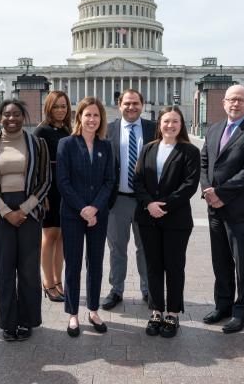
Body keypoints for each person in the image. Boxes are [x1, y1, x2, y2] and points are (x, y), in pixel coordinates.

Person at [0, 99, 51, 341]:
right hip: (0, 212)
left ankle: (27, 320)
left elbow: (45, 181)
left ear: (23, 116)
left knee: (29, 270)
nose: (12, 119)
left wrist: (25, 209)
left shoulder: (38, 144)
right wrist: (6, 211)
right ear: (0, 117)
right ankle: (8, 322)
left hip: (30, 210)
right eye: (7, 115)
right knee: (5, 269)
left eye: (17, 114)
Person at [200, 84, 244, 333]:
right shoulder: (214, 129)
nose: (235, 104)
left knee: (243, 264)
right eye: (231, 99)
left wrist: (221, 194)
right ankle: (223, 306)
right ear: (224, 103)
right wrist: (209, 191)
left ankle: (241, 312)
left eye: (240, 100)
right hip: (215, 209)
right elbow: (205, 163)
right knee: (220, 261)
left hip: (241, 211)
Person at [133, 106, 200, 338]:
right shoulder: (147, 149)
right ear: (159, 124)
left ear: (181, 125)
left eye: (175, 121)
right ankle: (156, 311)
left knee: (174, 267)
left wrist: (164, 206)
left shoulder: (189, 151)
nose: (170, 125)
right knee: (152, 266)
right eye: (166, 121)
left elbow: (189, 185)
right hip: (147, 218)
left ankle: (172, 313)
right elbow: (138, 180)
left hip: (176, 219)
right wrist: (149, 204)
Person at [57, 97, 115, 337]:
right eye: (87, 114)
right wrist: (83, 208)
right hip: (72, 214)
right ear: (79, 117)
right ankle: (73, 314)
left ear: (101, 119)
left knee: (95, 263)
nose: (92, 119)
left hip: (98, 215)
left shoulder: (106, 146)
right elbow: (63, 181)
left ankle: (93, 310)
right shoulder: (66, 144)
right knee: (73, 264)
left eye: (96, 115)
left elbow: (109, 180)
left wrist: (95, 209)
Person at [102, 89, 155, 310]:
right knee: (117, 248)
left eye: (135, 103)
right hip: (118, 199)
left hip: (146, 201)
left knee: (146, 247)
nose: (131, 107)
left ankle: (148, 289)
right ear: (119, 105)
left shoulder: (154, 129)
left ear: (142, 105)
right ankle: (116, 289)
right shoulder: (108, 130)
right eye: (127, 103)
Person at [34, 91, 72, 303]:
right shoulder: (42, 131)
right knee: (49, 237)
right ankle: (47, 282)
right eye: (56, 106)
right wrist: (42, 194)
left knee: (63, 238)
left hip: (65, 188)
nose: (60, 110)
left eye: (63, 106)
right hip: (50, 189)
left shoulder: (66, 129)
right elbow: (38, 166)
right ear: (49, 107)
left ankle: (58, 281)